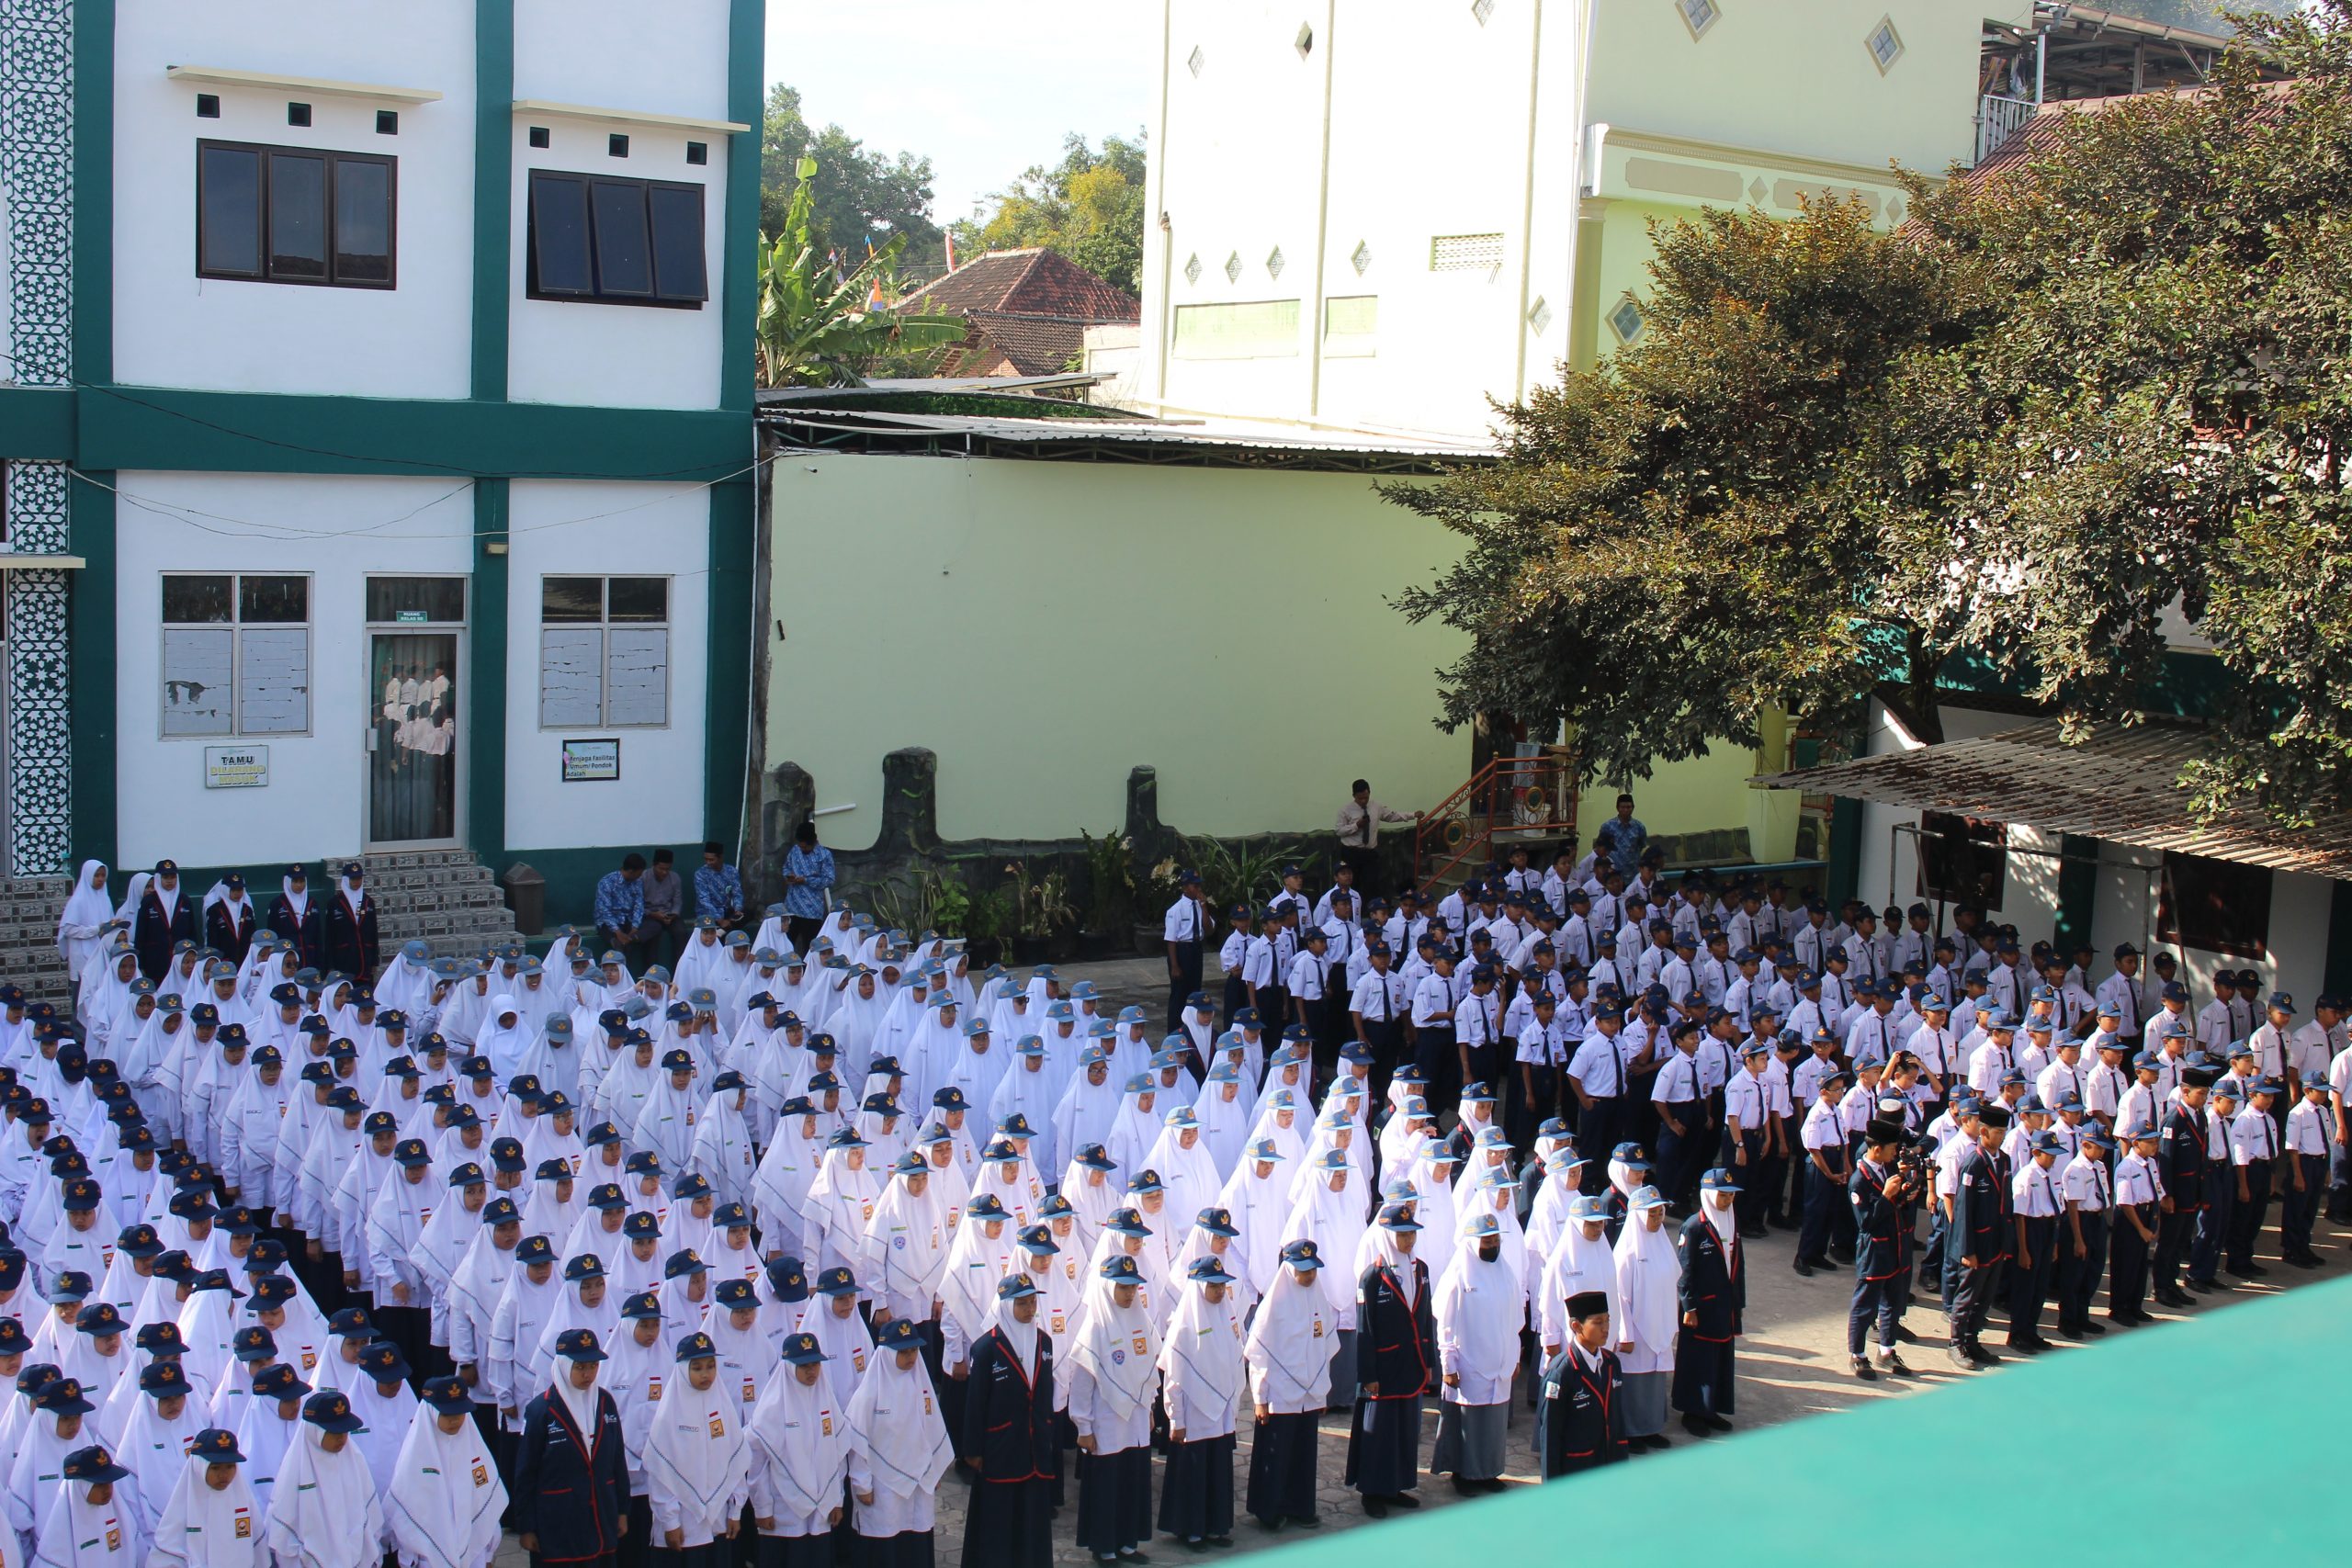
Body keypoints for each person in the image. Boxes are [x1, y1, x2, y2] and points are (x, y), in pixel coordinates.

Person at [960, 1274, 1057, 1568]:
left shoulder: (1044, 1342)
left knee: (1032, 1518)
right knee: (999, 1522)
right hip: (1001, 1448)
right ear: (1005, 1306)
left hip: (1034, 1448)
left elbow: (1045, 1394)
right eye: (1022, 1303)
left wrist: (1047, 1432)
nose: (1030, 1309)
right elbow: (975, 1403)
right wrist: (973, 1450)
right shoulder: (986, 1349)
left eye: (1033, 1302)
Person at [1063, 1256, 1156, 1563]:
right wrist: (1083, 1427)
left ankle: (1127, 1542)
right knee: (1107, 1487)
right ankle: (1104, 1548)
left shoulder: (1141, 1321)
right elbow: (1081, 1384)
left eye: (1133, 1287)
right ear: (1107, 1287)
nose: (1129, 1294)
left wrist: (1150, 1407)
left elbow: (1148, 1369)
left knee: (1132, 1481)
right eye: (1122, 1287)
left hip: (1136, 1422)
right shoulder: (1095, 1327)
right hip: (1107, 1425)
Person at [514, 1328, 631, 1568]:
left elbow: (617, 1460)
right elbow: (526, 1473)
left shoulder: (605, 1403)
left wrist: (622, 1510)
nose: (588, 1374)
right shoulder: (542, 1411)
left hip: (601, 1517)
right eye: (580, 1367)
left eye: (593, 1366)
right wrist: (526, 1526)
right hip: (559, 1524)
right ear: (564, 1366)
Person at [1346, 1202, 1431, 1518]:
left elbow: (1425, 1318)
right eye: (1402, 1234)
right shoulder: (1372, 1277)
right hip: (1383, 1369)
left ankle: (1397, 1485)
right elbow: (1365, 1329)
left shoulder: (1421, 1270)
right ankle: (1372, 1491)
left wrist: (1429, 1359)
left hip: (1410, 1365)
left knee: (1404, 1430)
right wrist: (1368, 1374)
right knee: (1379, 1432)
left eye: (1411, 1233)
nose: (1408, 1240)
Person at [845, 1319, 954, 1568]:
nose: (910, 1357)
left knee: (915, 1534)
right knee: (886, 1538)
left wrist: (934, 1469)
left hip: (920, 1482)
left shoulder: (921, 1384)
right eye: (903, 1352)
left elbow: (932, 1427)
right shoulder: (869, 1392)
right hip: (883, 1485)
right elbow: (858, 1442)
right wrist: (862, 1484)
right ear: (887, 1353)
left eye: (913, 1350)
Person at [1242, 1239, 1332, 1533]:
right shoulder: (1274, 1304)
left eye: (1312, 1270)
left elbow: (1324, 1347)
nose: (1309, 1276)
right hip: (1279, 1395)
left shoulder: (1318, 1298)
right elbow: (1258, 1354)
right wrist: (1259, 1399)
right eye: (1303, 1270)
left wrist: (1321, 1391)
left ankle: (1300, 1507)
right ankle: (1269, 1510)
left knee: (1304, 1454)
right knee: (1276, 1454)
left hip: (1309, 1394)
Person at [1430, 1211, 1522, 1494]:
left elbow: (1516, 1321)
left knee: (1493, 1423)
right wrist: (1448, 1366)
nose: (1493, 1245)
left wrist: (1515, 1357)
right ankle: (1463, 1475)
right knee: (1467, 1423)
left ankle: (1488, 1472)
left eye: (1495, 1240)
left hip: (1500, 1362)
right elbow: (1445, 1324)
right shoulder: (1458, 1274)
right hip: (1468, 1363)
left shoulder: (1506, 1273)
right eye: (1486, 1241)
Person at [641, 1329, 751, 1566]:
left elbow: (735, 1463)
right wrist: (670, 1522)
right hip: (683, 1526)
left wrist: (735, 1511)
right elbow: (661, 1473)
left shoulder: (724, 1408)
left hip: (717, 1522)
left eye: (710, 1366)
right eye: (697, 1368)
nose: (705, 1374)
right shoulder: (668, 1417)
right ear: (683, 1370)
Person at [1157, 1256, 1244, 1550]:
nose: (1219, 1291)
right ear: (1197, 1286)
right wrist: (1176, 1420)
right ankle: (1191, 1530)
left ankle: (1217, 1526)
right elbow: (1174, 1379)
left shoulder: (1227, 1316)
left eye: (1221, 1285)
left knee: (1217, 1470)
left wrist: (1233, 1407)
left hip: (1220, 1415)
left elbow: (1235, 1362)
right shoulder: (1184, 1325)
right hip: (1194, 1416)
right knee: (1193, 1473)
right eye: (1213, 1286)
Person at [745, 1331, 850, 1568]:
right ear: (789, 1367)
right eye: (804, 1366)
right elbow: (758, 1466)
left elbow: (838, 1455)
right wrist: (762, 1508)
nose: (811, 1371)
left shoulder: (826, 1399)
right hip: (784, 1511)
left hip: (822, 1508)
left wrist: (837, 1499)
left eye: (815, 1364)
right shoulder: (771, 1409)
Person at [385, 1375, 507, 1568]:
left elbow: (486, 1500)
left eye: (460, 1413)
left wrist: (489, 1553)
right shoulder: (414, 1457)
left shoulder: (475, 1448)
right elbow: (405, 1511)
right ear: (431, 1413)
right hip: (428, 1556)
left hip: (473, 1553)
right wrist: (408, 1558)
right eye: (447, 1415)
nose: (455, 1420)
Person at [263, 1391, 384, 1568]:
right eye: (334, 1432)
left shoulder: (354, 1460)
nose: (341, 1438)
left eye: (345, 1431)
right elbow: (284, 1532)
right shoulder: (295, 1470)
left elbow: (370, 1517)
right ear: (315, 1431)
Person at [1671, 1169, 1743, 1436]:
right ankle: (1693, 1412)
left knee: (1720, 1359)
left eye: (1731, 1196)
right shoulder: (1694, 1227)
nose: (1728, 1201)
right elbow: (1685, 1271)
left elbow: (1738, 1266)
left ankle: (1712, 1408)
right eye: (1723, 1195)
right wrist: (1689, 1306)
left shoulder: (1732, 1221)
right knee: (1698, 1359)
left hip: (1724, 1306)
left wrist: (1738, 1302)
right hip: (1702, 1307)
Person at [1534, 1289, 1627, 1476]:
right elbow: (1550, 1435)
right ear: (1576, 1326)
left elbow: (1617, 1420)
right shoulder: (1561, 1373)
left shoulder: (1612, 1363)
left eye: (1607, 1320)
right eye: (1598, 1322)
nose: (1606, 1328)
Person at [147, 1427, 258, 1568]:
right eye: (215, 1468)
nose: (224, 1475)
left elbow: (258, 1551)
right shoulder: (181, 1509)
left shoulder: (243, 1499)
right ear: (199, 1466)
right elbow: (164, 1557)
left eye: (230, 1466)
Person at [33, 1444, 146, 1568]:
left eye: (110, 1482)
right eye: (99, 1485)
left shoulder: (122, 1517)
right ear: (80, 1486)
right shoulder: (59, 1535)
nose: (108, 1490)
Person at [1333, 781, 1417, 886]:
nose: (1363, 801)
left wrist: (1413, 815)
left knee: (1371, 884)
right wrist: (1356, 825)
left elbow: (1391, 816)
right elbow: (1339, 831)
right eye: (1360, 798)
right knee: (1353, 883)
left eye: (1366, 798)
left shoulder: (1376, 807)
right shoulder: (1345, 810)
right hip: (1351, 853)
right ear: (1354, 796)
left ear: (1369, 793)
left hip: (1369, 853)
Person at [131, 860, 198, 984]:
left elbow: (192, 932)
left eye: (172, 877)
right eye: (165, 877)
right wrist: (140, 963)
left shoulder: (184, 900)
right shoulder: (149, 902)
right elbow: (140, 935)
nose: (169, 880)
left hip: (181, 960)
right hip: (155, 961)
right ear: (158, 878)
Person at [1162, 870, 1211, 1035]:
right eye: (1194, 885)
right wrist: (1175, 965)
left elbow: (1208, 929)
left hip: (1196, 949)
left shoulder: (1199, 906)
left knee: (1194, 991)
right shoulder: (1176, 910)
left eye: (1199, 885)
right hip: (1182, 950)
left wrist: (1204, 907)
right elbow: (1171, 939)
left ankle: (1191, 1029)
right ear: (1185, 887)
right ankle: (1174, 1032)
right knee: (1179, 994)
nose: (1198, 889)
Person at [778, 825, 836, 958]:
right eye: (800, 846)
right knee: (786, 945)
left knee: (810, 951)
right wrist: (788, 876)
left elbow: (829, 880)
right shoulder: (795, 850)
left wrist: (806, 880)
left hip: (812, 911)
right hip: (792, 908)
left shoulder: (824, 855)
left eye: (805, 847)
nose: (802, 849)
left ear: (813, 842)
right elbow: (786, 867)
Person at [322, 863, 379, 982]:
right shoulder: (335, 903)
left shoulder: (368, 901)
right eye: (353, 879)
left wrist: (374, 960)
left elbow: (374, 932)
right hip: (343, 959)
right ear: (346, 879)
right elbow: (329, 936)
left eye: (359, 878)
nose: (356, 882)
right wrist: (330, 965)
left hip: (365, 958)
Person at [597, 857, 652, 976]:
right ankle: (621, 978)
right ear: (632, 871)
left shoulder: (637, 882)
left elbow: (639, 905)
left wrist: (635, 927)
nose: (640, 876)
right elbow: (604, 910)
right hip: (609, 922)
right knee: (618, 945)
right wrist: (617, 932)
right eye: (639, 873)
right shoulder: (607, 882)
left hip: (628, 920)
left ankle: (632, 938)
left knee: (654, 927)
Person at [265, 865, 325, 973]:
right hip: (287, 959)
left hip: (310, 958)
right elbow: (272, 934)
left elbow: (317, 934)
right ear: (288, 882)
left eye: (302, 881)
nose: (299, 885)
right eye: (295, 881)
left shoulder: (312, 903)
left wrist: (320, 962)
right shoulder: (277, 904)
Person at [694, 845, 746, 937]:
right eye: (706, 859)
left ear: (720, 857)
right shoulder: (700, 874)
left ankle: (722, 931)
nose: (708, 862)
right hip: (708, 913)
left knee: (748, 914)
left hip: (726, 910)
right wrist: (720, 920)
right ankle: (723, 930)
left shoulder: (731, 871)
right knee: (712, 924)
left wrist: (737, 910)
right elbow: (704, 900)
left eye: (711, 860)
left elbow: (737, 893)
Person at [1593, 795, 1649, 882]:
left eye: (1628, 807)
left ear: (1633, 808)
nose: (1626, 810)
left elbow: (1642, 847)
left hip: (1633, 874)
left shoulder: (1639, 827)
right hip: (1612, 875)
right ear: (1617, 808)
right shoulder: (1608, 827)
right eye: (1623, 807)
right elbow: (1601, 848)